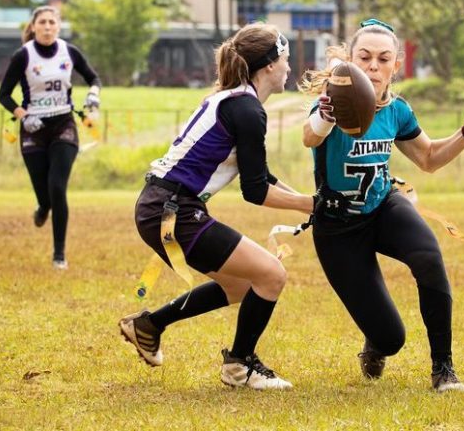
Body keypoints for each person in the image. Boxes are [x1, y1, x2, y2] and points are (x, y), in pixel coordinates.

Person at [300, 18, 464, 393]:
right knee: (391, 338)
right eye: (364, 57)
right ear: (349, 60)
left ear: (396, 65)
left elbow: (428, 158)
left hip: (383, 206)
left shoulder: (397, 109)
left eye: (383, 58)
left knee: (428, 256)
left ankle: (444, 369)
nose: (373, 66)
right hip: (338, 225)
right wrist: (327, 116)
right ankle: (376, 344)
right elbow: (309, 137)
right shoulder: (331, 104)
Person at [119, 23, 317, 391]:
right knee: (272, 275)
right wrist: (312, 204)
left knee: (242, 285)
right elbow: (255, 191)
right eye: (287, 60)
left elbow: (263, 177)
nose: (290, 68)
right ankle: (240, 366)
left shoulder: (238, 100)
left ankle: (148, 326)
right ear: (270, 65)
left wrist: (308, 205)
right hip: (172, 210)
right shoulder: (246, 109)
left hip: (162, 206)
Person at [0, 5, 102, 270]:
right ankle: (42, 208)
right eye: (42, 22)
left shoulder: (69, 52)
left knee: (58, 187)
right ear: (33, 27)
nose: (47, 27)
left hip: (63, 125)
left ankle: (59, 255)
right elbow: (4, 94)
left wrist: (93, 95)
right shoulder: (24, 55)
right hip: (33, 129)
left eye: (51, 23)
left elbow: (93, 78)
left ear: (58, 26)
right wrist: (22, 115)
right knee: (45, 196)